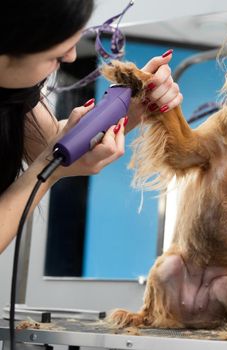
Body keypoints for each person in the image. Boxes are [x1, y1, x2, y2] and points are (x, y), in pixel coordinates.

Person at [0, 0, 182, 253]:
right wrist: (49, 172)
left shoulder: (16, 87)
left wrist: (127, 109)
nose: (71, 56)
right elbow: (47, 160)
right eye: (54, 54)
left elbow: (45, 144)